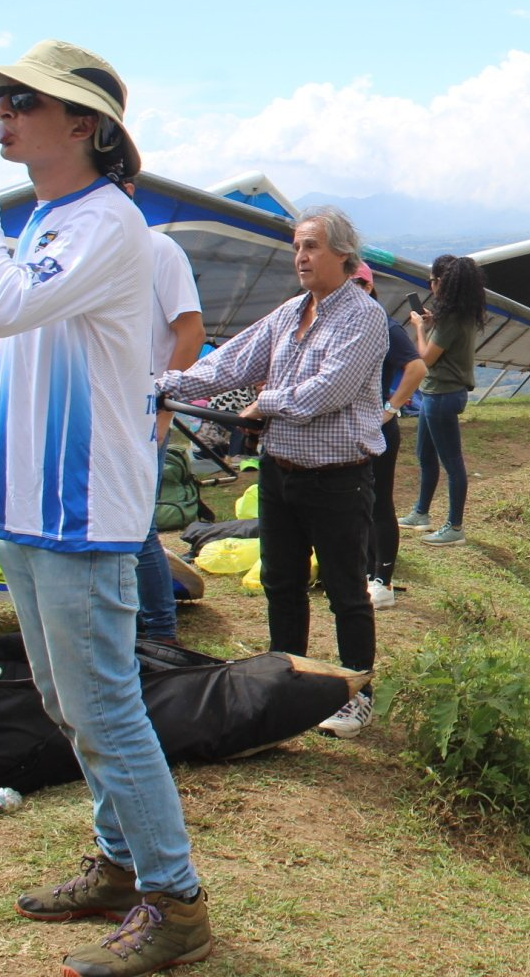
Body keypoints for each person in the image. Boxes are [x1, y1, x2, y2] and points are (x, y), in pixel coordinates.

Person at [0, 40, 210, 976]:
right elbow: (35, 344)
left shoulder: (109, 225)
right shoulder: (51, 219)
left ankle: (178, 902)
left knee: (107, 708)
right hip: (33, 501)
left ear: (83, 123)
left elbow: (0, 305)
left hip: (84, 509)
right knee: (66, 702)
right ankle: (123, 867)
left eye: (18, 102)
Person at [157, 208, 388, 738]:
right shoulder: (291, 313)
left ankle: (357, 692)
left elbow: (329, 391)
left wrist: (265, 405)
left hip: (337, 478)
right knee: (281, 582)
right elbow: (231, 363)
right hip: (281, 476)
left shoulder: (363, 316)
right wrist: (166, 385)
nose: (300, 258)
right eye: (297, 248)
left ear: (344, 255)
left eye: (311, 247)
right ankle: (286, 679)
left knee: (345, 589)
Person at [130, 193, 206, 644]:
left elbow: (191, 332)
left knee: (138, 531)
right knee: (116, 529)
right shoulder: (95, 258)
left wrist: (162, 406)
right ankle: (135, 621)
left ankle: (161, 631)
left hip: (143, 416)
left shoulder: (159, 251)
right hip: (104, 418)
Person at [349, 263, 427, 609]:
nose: (351, 289)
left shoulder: (382, 323)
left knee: (379, 502)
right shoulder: (340, 323)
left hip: (378, 427)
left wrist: (391, 409)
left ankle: (384, 580)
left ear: (368, 287)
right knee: (355, 502)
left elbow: (417, 366)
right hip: (349, 429)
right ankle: (365, 571)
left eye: (358, 283)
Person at [398, 254, 487, 546]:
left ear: (441, 283)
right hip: (438, 394)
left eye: (432, 281)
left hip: (442, 395)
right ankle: (421, 513)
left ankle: (455, 527)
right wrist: (432, 321)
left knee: (451, 462)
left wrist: (420, 328)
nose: (431, 286)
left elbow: (424, 359)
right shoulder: (462, 313)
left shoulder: (450, 319)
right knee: (425, 455)